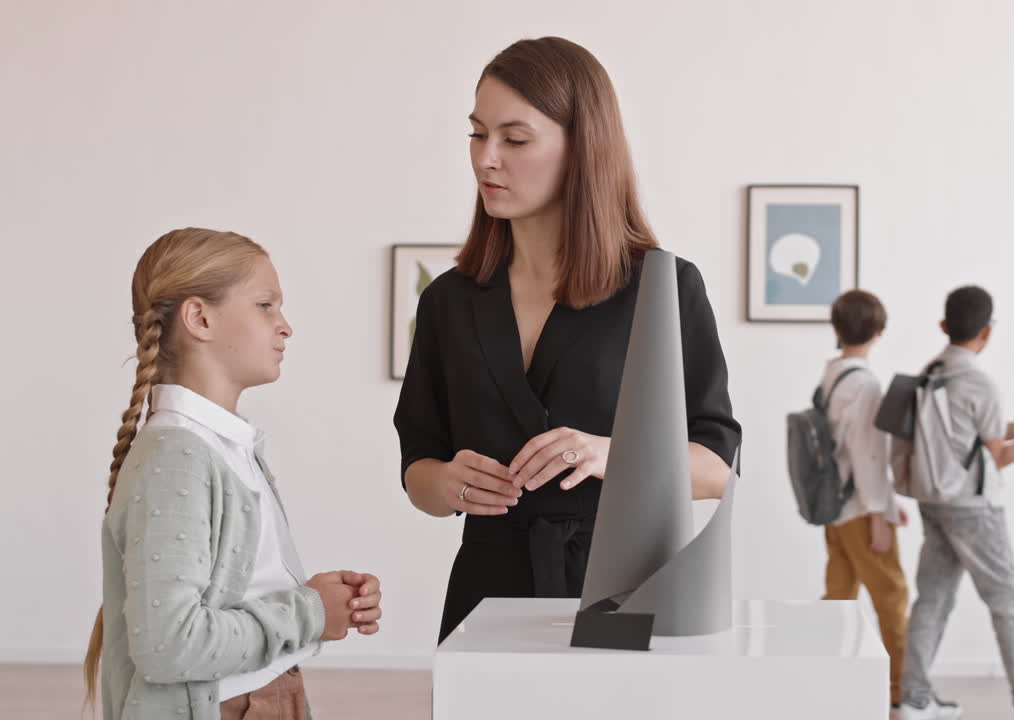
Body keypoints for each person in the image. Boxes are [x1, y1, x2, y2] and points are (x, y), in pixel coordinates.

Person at [393, 36, 741, 644]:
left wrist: (612, 454)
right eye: (477, 134)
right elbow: (418, 468)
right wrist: (448, 483)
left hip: (625, 599)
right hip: (485, 598)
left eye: (514, 139)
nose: (485, 159)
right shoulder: (448, 300)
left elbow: (718, 468)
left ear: (583, 147)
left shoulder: (663, 288)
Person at [85, 228, 382, 720]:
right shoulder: (177, 457)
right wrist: (310, 612)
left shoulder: (221, 447)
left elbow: (233, 597)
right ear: (200, 318)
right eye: (266, 306)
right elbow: (168, 646)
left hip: (264, 695)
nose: (285, 327)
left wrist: (323, 600)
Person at [897, 286, 1014, 720]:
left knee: (932, 600)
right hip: (974, 509)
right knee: (1007, 602)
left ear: (944, 326)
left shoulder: (928, 375)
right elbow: (1000, 454)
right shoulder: (980, 384)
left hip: (933, 502)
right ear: (988, 331)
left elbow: (984, 432)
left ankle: (914, 700)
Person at [819, 289, 911, 712]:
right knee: (892, 596)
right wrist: (880, 511)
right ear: (879, 331)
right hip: (861, 509)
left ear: (837, 329)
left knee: (838, 596)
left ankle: (830, 675)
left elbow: (842, 449)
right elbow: (868, 454)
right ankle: (899, 688)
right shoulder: (866, 384)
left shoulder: (831, 376)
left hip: (836, 507)